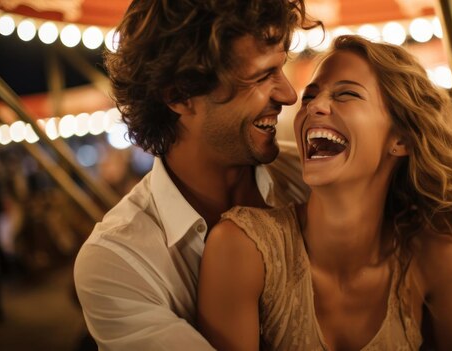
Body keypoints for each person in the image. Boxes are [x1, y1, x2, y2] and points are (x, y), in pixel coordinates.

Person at [198, 35, 452, 350]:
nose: (314, 107)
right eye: (310, 96)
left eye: (346, 94)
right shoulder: (242, 249)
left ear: (401, 140)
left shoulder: (434, 259)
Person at [73, 0, 319, 349]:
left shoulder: (314, 176)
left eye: (281, 69)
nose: (289, 95)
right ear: (180, 95)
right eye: (263, 75)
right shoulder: (118, 261)